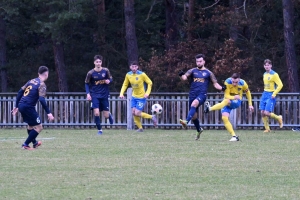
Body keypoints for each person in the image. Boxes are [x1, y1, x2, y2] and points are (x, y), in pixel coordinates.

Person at [178, 54, 225, 140]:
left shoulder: (209, 73)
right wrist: (181, 75)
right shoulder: (192, 71)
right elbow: (185, 78)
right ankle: (199, 129)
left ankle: (186, 121)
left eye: (200, 61)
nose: (198, 63)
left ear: (204, 62)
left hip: (202, 95)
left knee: (194, 103)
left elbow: (215, 83)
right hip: (192, 94)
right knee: (194, 116)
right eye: (197, 61)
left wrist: (222, 88)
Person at [11, 66, 54, 150]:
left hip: (22, 105)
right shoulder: (42, 84)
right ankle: (25, 144)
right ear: (46, 74)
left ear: (38, 73)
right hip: (28, 106)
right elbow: (41, 99)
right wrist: (49, 112)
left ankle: (34, 143)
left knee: (31, 126)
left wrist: (16, 106)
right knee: (39, 127)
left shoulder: (31, 81)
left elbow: (20, 92)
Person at [204, 73, 254, 142]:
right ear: (231, 79)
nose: (234, 84)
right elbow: (227, 95)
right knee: (224, 118)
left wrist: (250, 104)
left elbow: (248, 93)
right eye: (233, 82)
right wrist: (234, 97)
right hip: (227, 101)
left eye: (236, 82)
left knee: (226, 101)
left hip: (236, 102)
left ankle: (209, 108)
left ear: (239, 80)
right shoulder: (227, 82)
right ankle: (234, 136)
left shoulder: (243, 83)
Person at [119, 61, 157, 132]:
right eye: (132, 67)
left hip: (141, 97)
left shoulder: (142, 74)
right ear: (130, 67)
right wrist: (121, 93)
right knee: (133, 113)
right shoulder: (128, 75)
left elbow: (150, 82)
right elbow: (125, 84)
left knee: (137, 113)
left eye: (135, 67)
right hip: (134, 96)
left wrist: (147, 93)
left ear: (137, 67)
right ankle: (140, 128)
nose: (134, 68)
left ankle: (152, 117)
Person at [85, 55, 114, 135]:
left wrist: (109, 81)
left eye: (100, 62)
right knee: (96, 113)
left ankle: (109, 115)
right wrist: (88, 94)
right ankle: (100, 130)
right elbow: (86, 83)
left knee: (106, 115)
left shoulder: (105, 70)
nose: (98, 63)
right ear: (94, 62)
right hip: (95, 95)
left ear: (101, 62)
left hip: (104, 95)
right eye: (97, 62)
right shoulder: (90, 73)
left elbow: (111, 78)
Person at [259, 59, 283, 132]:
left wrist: (274, 93)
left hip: (271, 94)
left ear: (271, 66)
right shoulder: (264, 74)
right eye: (265, 65)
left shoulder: (274, 74)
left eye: (268, 65)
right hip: (265, 93)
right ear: (264, 66)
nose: (267, 66)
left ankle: (278, 118)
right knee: (262, 112)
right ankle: (267, 129)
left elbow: (280, 85)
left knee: (267, 112)